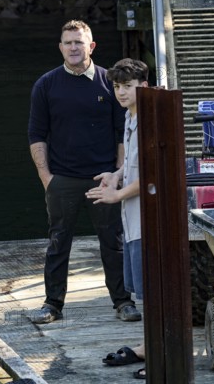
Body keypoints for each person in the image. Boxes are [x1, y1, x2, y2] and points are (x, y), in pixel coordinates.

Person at [28, 20, 141, 324]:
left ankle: (123, 301)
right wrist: (47, 179)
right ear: (61, 47)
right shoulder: (46, 84)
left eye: (79, 42)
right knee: (57, 242)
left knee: (114, 241)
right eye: (68, 42)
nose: (73, 48)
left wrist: (118, 173)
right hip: (62, 178)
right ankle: (52, 305)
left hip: (103, 178)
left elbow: (122, 134)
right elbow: (36, 135)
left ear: (91, 46)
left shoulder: (110, 82)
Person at [86, 58, 149, 380]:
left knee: (154, 290)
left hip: (150, 219)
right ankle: (147, 346)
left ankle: (158, 352)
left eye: (128, 86)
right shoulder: (130, 116)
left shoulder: (152, 118)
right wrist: (115, 175)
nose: (121, 92)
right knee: (142, 289)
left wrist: (116, 195)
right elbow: (135, 166)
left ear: (144, 86)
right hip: (133, 219)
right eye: (117, 86)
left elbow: (153, 175)